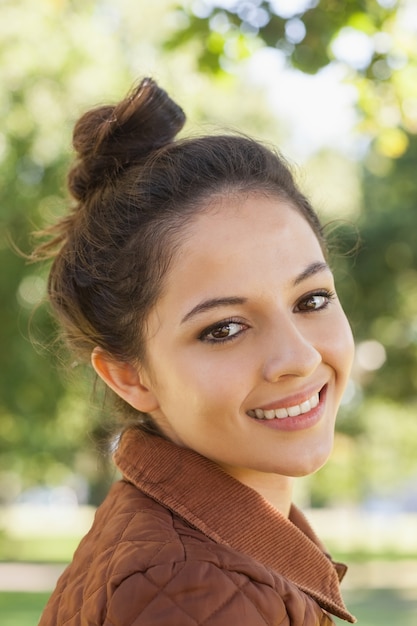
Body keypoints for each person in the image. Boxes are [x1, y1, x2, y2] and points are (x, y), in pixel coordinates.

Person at [36, 77, 356, 625]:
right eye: (224, 329)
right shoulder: (188, 586)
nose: (299, 357)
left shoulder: (220, 544)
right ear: (128, 375)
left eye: (312, 298)